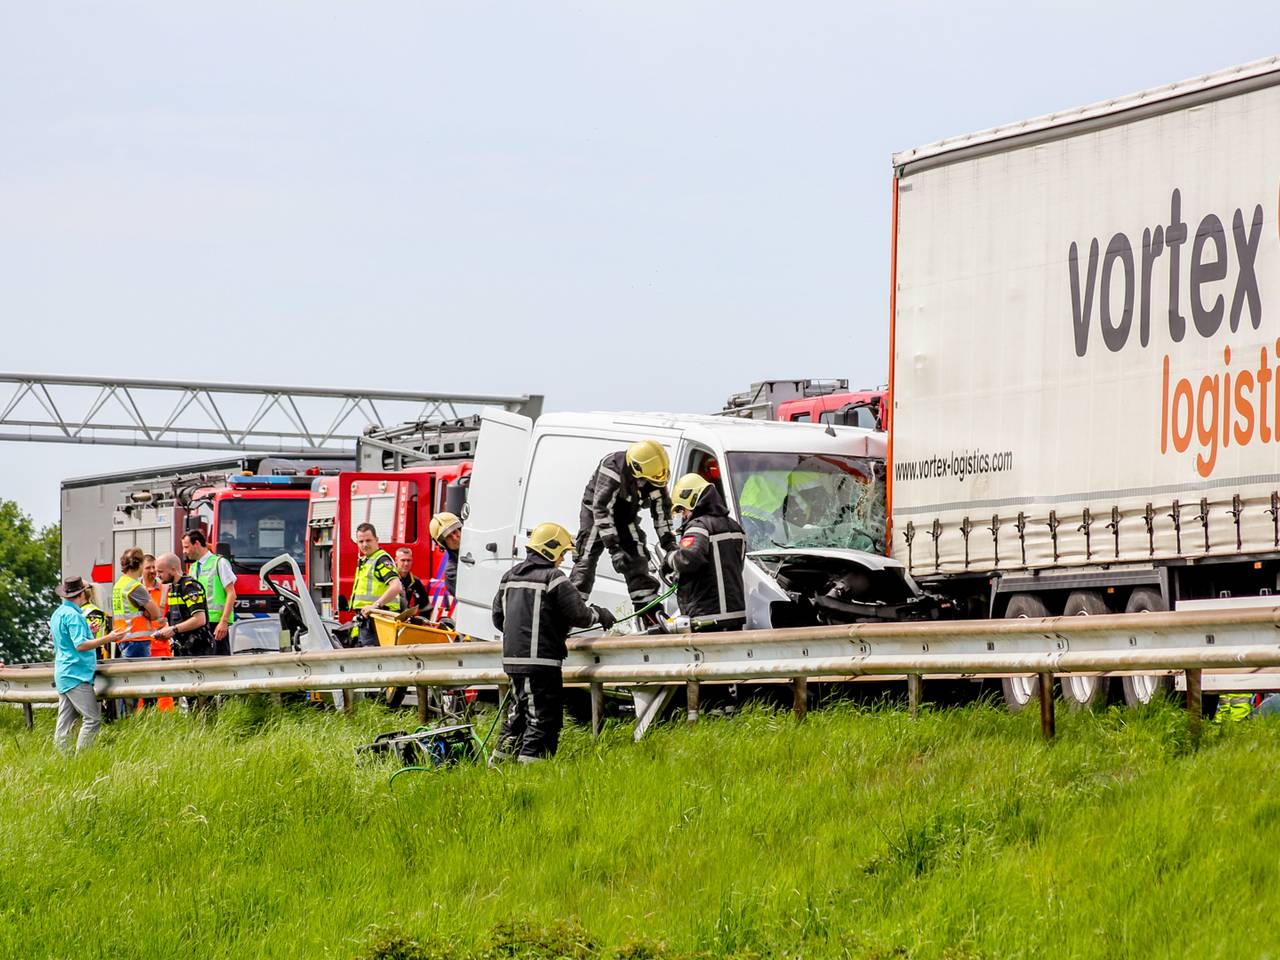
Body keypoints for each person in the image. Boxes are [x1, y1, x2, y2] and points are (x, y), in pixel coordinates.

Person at [492, 523, 615, 763]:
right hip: (542, 664)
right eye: (562, 553)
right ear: (550, 549)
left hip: (513, 662)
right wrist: (600, 614)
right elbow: (579, 615)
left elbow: (498, 618)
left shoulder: (509, 577)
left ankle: (499, 765)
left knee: (517, 715)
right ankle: (532, 773)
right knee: (543, 720)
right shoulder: (553, 577)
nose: (563, 559)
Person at [569, 440, 677, 620]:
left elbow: (662, 513)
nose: (652, 482)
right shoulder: (612, 468)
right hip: (596, 514)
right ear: (637, 469)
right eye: (649, 478)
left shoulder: (654, 476)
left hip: (625, 516)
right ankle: (569, 614)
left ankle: (649, 613)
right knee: (586, 561)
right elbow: (601, 509)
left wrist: (670, 544)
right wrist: (614, 549)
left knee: (637, 557)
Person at [661, 474, 747, 632]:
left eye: (683, 509)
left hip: (706, 618)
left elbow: (687, 559)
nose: (684, 515)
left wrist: (669, 558)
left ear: (692, 500)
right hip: (735, 616)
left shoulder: (698, 526)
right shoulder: (735, 527)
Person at [50, 576, 124, 752]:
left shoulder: (59, 613)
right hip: (76, 673)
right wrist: (108, 638)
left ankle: (61, 759)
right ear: (82, 594)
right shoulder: (74, 615)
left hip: (64, 672)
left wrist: (87, 630)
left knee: (65, 722)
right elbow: (80, 645)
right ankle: (82, 757)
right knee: (92, 719)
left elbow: (65, 638)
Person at [182, 529, 237, 656]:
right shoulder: (193, 568)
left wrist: (223, 622)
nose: (184, 551)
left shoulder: (219, 563)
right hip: (198, 625)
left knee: (219, 664)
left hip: (216, 626)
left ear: (196, 544)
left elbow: (231, 593)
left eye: (186, 547)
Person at [152, 553, 214, 658]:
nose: (157, 575)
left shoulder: (190, 587)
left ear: (173, 570)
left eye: (160, 571)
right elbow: (178, 619)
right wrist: (165, 632)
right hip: (182, 648)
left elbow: (200, 619)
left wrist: (173, 629)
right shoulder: (173, 587)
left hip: (198, 649)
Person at [351, 523, 402, 647]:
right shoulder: (366, 560)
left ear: (377, 540)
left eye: (368, 540)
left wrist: (375, 605)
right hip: (369, 619)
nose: (364, 544)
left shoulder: (381, 560)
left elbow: (396, 586)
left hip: (378, 619)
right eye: (361, 541)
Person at [112, 547, 163, 662]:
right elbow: (156, 614)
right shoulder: (135, 586)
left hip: (124, 638)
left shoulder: (119, 585)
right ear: (139, 564)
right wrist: (146, 613)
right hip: (137, 641)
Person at [142, 553, 174, 710]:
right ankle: (141, 719)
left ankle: (167, 718)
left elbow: (172, 617)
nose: (152, 571)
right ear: (141, 569)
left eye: (154, 567)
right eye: (148, 567)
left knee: (164, 689)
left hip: (160, 647)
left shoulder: (165, 589)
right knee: (141, 690)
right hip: (141, 646)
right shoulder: (135, 589)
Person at [427, 511, 463, 608]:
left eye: (455, 531)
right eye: (449, 537)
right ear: (443, 544)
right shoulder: (452, 572)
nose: (455, 537)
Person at [394, 547, 432, 618]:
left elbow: (425, 607)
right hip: (388, 617)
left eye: (409, 560)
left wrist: (423, 621)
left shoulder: (415, 581)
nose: (406, 564)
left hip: (404, 619)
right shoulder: (390, 579)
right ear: (396, 560)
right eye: (403, 560)